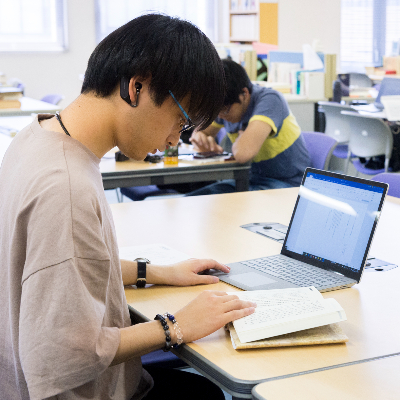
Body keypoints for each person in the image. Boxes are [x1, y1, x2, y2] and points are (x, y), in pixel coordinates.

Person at [0, 15, 256, 400]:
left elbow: (58, 264)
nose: (175, 142)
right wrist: (176, 325)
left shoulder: (36, 137)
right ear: (136, 86)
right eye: (181, 123)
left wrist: (155, 272)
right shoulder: (65, 188)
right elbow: (62, 355)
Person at [187, 59, 310, 196]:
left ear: (244, 94)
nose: (221, 116)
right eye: (216, 111)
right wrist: (200, 139)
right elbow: (200, 132)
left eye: (225, 110)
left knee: (229, 208)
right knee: (194, 200)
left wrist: (239, 143)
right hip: (249, 180)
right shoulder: (225, 105)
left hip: (287, 184)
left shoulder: (270, 100)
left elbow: (243, 154)